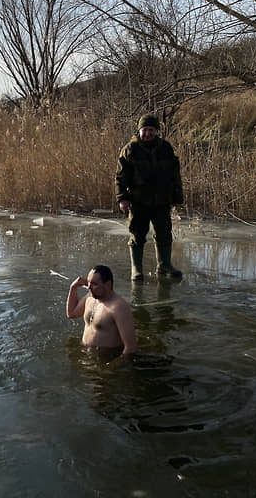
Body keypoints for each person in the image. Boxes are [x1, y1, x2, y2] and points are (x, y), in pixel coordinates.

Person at [116, 114, 183, 281]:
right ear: (139, 130)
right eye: (145, 130)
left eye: (151, 130)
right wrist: (122, 198)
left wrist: (177, 196)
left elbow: (175, 174)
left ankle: (164, 265)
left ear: (157, 131)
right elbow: (120, 177)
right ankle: (136, 270)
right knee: (137, 235)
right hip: (139, 201)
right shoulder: (130, 149)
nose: (148, 133)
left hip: (162, 201)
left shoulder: (166, 147)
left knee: (164, 234)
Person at [66, 265, 136, 356]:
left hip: (106, 359)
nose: (89, 287)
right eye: (88, 282)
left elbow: (130, 348)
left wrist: (111, 367)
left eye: (94, 284)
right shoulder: (90, 298)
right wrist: (73, 288)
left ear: (108, 285)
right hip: (87, 355)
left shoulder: (118, 307)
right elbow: (71, 313)